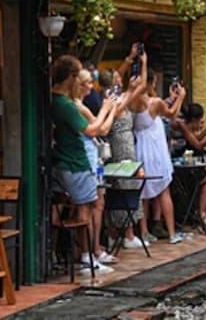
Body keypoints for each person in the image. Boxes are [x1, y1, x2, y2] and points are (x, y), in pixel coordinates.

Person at [50, 55, 114, 271]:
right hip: (74, 162)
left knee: (61, 206)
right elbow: (92, 130)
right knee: (85, 207)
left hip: (60, 161)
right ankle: (87, 256)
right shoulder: (66, 105)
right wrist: (106, 108)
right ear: (70, 77)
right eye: (77, 76)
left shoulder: (52, 100)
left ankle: (55, 253)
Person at [129, 63, 187, 244]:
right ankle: (171, 233)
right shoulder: (154, 103)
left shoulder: (133, 101)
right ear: (151, 83)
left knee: (144, 192)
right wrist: (180, 98)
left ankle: (144, 231)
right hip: (155, 150)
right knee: (163, 190)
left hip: (140, 149)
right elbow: (171, 113)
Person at [72, 68, 118, 267]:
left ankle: (94, 250)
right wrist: (110, 109)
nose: (92, 86)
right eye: (88, 82)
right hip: (87, 158)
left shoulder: (78, 105)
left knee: (96, 203)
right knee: (89, 205)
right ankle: (89, 252)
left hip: (91, 158)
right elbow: (101, 128)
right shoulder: (78, 107)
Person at [104, 62, 150, 250]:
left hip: (128, 145)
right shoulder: (109, 99)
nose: (120, 84)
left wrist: (142, 62)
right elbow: (119, 105)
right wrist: (130, 89)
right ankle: (124, 234)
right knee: (122, 185)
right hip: (119, 147)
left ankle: (123, 232)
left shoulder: (122, 97)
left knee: (130, 183)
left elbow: (141, 86)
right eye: (116, 81)